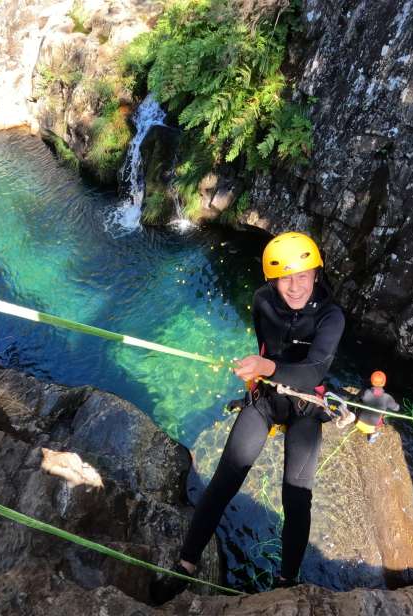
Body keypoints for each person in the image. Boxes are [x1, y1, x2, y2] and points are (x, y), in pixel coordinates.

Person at [151, 231, 345, 602]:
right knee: (225, 477)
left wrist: (266, 366)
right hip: (267, 398)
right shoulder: (261, 301)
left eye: (303, 275)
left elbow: (314, 370)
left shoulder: (331, 316)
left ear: (317, 274)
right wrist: (259, 373)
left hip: (305, 403)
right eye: (285, 277)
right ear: (272, 279)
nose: (294, 286)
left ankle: (287, 582)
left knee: (296, 495)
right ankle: (186, 565)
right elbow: (263, 341)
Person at [356, 370, 399, 444]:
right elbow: (397, 408)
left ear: (371, 381)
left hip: (358, 422)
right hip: (371, 428)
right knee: (386, 411)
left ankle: (371, 433)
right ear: (384, 383)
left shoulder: (365, 392)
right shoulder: (387, 397)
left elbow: (357, 398)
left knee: (361, 402)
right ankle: (372, 437)